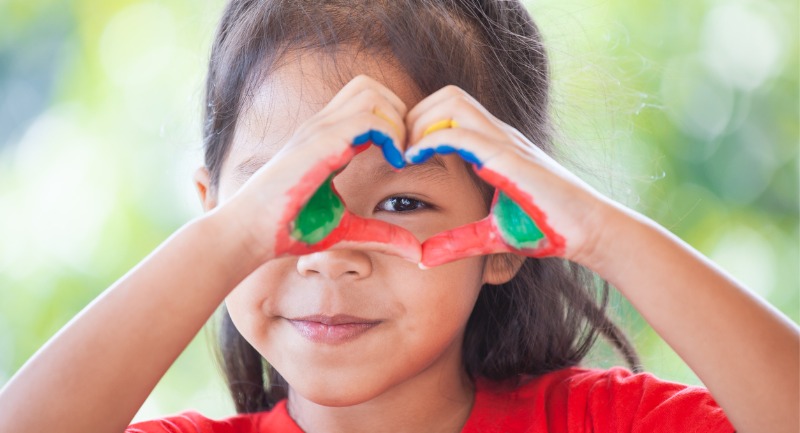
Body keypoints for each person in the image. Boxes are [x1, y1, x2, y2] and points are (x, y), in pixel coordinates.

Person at [0, 0, 797, 432]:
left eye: (404, 200)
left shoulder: (600, 423)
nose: (332, 254)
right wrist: (234, 237)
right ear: (215, 214)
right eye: (285, 199)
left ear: (511, 229)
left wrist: (601, 231)